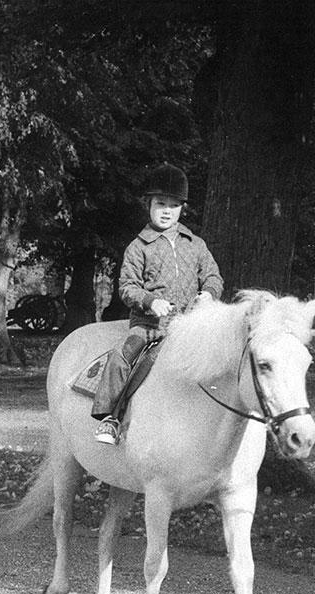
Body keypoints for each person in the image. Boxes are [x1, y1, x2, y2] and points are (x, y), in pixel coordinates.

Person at [91, 163, 224, 444]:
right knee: (122, 355)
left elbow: (213, 275)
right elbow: (127, 287)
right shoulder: (138, 247)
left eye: (174, 205)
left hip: (189, 325)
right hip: (150, 325)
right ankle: (110, 417)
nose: (167, 210)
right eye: (161, 203)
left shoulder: (196, 244)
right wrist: (150, 302)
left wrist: (209, 294)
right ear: (148, 205)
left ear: (182, 209)